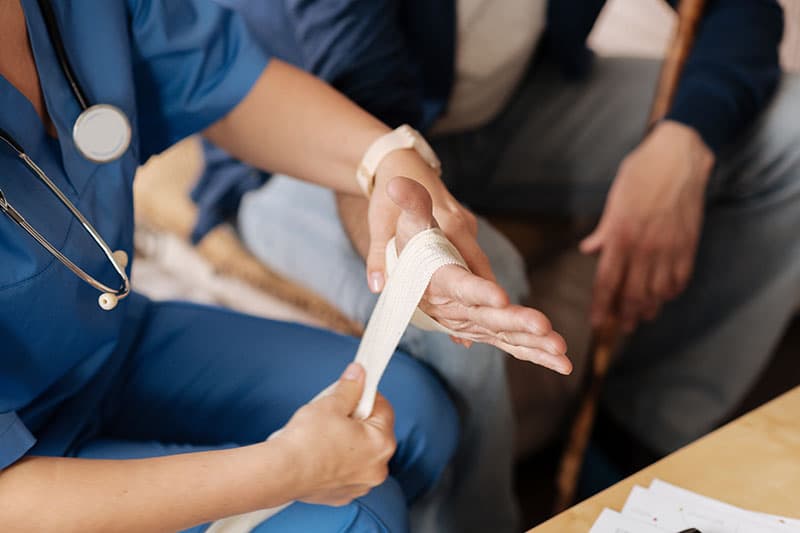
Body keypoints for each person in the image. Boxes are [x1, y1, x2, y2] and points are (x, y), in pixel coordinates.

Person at [193, 1, 800, 530]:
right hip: (311, 145)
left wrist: (682, 142)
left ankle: (635, 449)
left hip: (504, 107)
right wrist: (419, 245)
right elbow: (365, 111)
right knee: (476, 284)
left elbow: (740, 10)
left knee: (791, 132)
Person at [0, 1, 573, 531]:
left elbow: (222, 81)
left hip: (101, 342)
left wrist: (386, 163)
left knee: (414, 417)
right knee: (359, 516)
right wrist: (285, 468)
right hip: (21, 472)